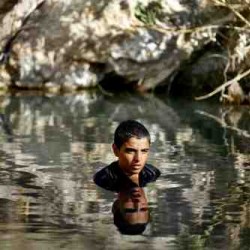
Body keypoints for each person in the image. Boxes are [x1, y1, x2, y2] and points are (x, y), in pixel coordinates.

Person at [93, 120, 161, 192]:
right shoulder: (103, 179)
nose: (138, 158)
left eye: (144, 151)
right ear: (116, 150)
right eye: (131, 151)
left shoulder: (152, 173)